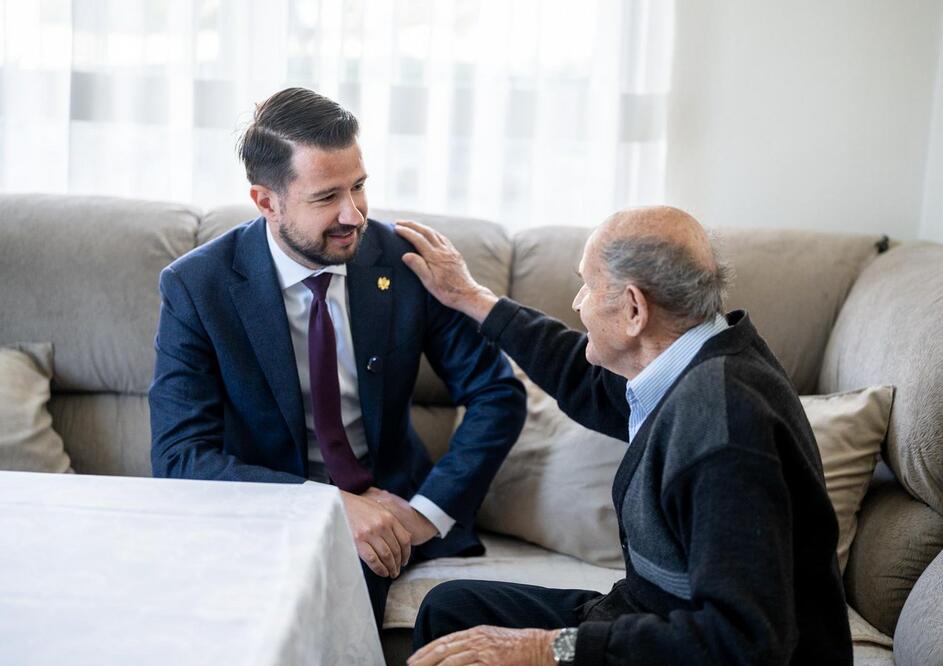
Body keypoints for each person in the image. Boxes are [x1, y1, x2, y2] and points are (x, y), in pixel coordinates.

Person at [395, 207, 852, 665]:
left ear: (634, 309)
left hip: (701, 649)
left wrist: (549, 649)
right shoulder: (694, 356)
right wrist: (471, 297)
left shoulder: (724, 429)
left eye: (588, 286)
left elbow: (741, 641)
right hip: (653, 618)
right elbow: (584, 378)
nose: (577, 303)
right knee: (451, 612)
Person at [148, 87, 526, 625]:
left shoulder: (404, 261)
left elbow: (497, 393)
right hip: (266, 510)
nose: (354, 214)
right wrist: (322, 509)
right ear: (266, 201)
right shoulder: (197, 286)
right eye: (327, 198)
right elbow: (180, 456)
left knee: (340, 583)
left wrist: (424, 514)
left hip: (392, 509)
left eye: (360, 186)